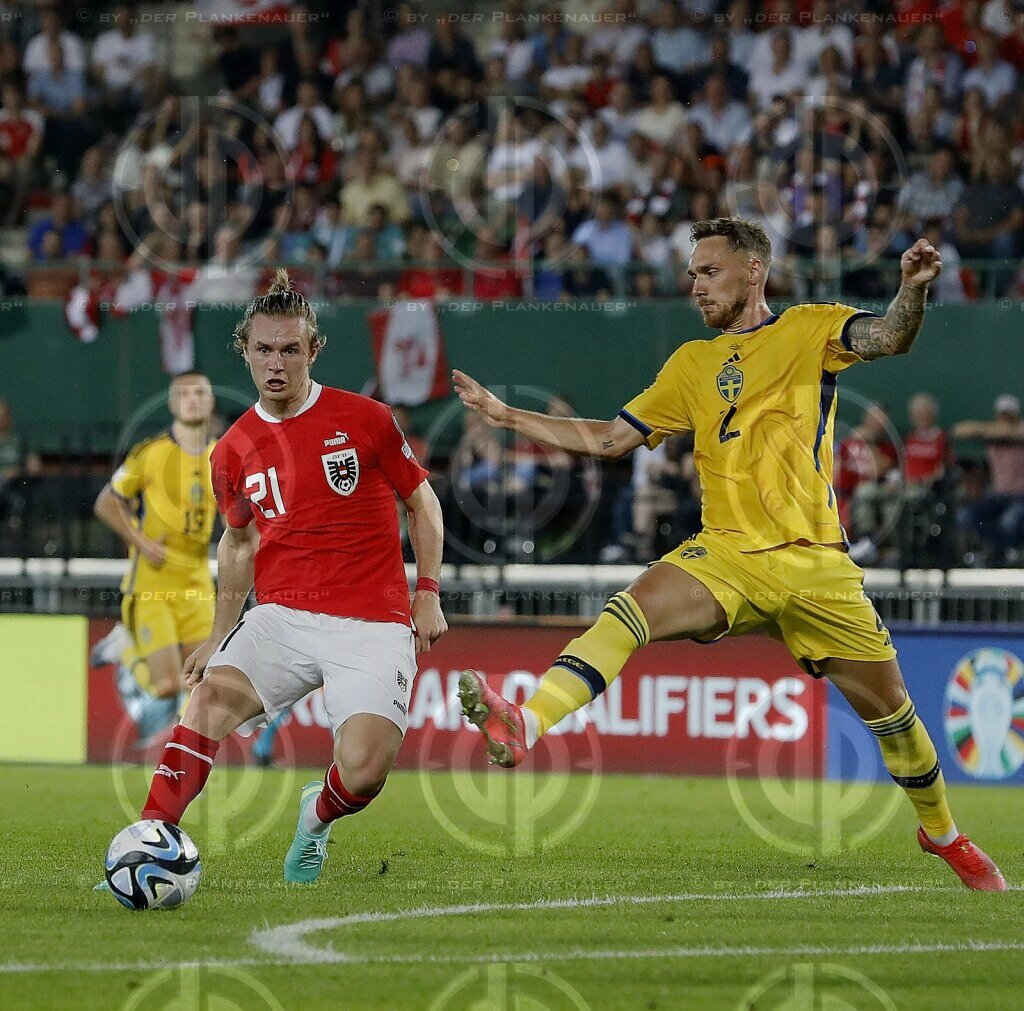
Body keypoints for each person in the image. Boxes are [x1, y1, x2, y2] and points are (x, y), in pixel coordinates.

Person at [453, 217, 1005, 891]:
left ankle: (942, 833)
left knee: (896, 718)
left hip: (815, 563)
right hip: (726, 555)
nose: (695, 286)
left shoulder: (809, 329)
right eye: (691, 274)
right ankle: (525, 720)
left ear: (752, 271)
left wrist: (912, 290)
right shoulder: (691, 364)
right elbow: (606, 441)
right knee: (630, 610)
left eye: (708, 272)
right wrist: (510, 417)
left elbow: (889, 336)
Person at [128, 272, 446, 885]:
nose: (277, 364)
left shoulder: (368, 419)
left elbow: (423, 505)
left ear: (313, 350)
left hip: (374, 621)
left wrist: (426, 593)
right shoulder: (232, 450)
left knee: (363, 771)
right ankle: (149, 839)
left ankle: (316, 816)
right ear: (244, 352)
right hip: (283, 617)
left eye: (290, 350)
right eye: (265, 350)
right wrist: (221, 634)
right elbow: (240, 543)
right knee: (209, 697)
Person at [94, 373, 218, 743]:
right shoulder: (151, 453)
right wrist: (141, 541)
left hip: (196, 582)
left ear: (210, 402)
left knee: (201, 683)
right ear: (171, 404)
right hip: (153, 582)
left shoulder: (222, 456)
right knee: (166, 687)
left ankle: (182, 763)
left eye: (200, 393)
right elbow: (106, 502)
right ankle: (126, 649)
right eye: (184, 394)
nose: (193, 400)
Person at [953, 394, 1024, 564]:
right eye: (1002, 414)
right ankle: (1004, 550)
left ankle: (1008, 553)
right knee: (964, 516)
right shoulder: (992, 434)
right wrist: (992, 430)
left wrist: (1005, 430)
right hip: (997, 496)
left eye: (1009, 415)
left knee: (1009, 521)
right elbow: (959, 430)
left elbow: (1014, 432)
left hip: (1020, 496)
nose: (1005, 419)